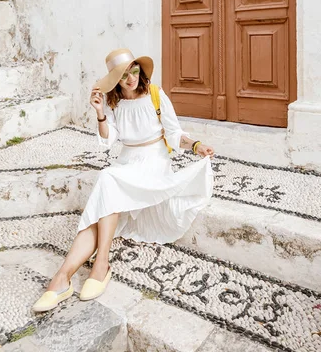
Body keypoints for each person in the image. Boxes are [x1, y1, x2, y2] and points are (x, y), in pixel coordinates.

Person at [32, 48, 214, 312]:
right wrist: (99, 113)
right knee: (106, 191)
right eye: (124, 74)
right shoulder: (113, 102)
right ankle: (64, 277)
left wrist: (196, 145)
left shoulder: (155, 94)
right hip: (127, 163)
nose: (131, 78)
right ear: (115, 79)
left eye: (134, 71)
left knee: (107, 180)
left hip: (154, 162)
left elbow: (175, 134)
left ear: (140, 70)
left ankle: (95, 264)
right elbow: (108, 140)